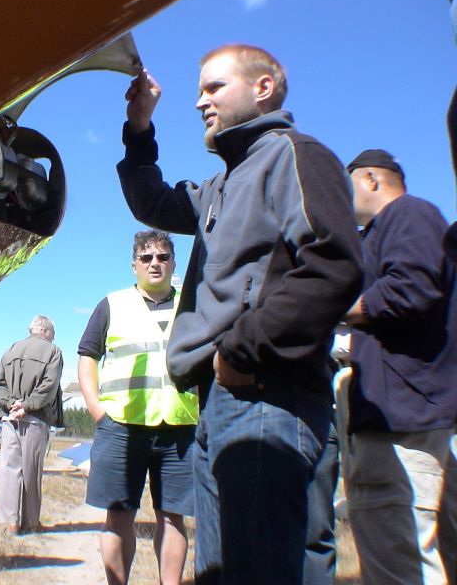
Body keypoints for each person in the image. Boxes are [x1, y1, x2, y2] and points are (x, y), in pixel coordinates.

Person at [117, 44, 364, 584]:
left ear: (263, 88)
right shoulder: (220, 186)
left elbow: (334, 264)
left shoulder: (294, 156)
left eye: (214, 87)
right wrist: (139, 130)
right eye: (199, 90)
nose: (199, 100)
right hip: (220, 402)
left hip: (266, 397)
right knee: (221, 572)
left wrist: (239, 348)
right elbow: (153, 202)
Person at [342, 149, 457, 585]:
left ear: (371, 179)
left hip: (403, 417)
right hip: (409, 410)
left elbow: (410, 290)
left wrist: (331, 308)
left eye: (346, 182)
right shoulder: (377, 232)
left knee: (399, 554)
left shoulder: (409, 214)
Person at [78, 229, 198, 585]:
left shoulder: (192, 305)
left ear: (174, 263)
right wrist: (97, 410)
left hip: (180, 427)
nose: (155, 264)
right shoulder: (112, 304)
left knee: (174, 517)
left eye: (162, 257)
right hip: (121, 427)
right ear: (134, 265)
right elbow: (87, 356)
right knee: (118, 515)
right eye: (147, 258)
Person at [0, 315, 63, 535]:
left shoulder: (12, 348)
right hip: (35, 418)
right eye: (52, 333)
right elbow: (49, 386)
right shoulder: (53, 352)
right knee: (31, 471)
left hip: (10, 419)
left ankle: (11, 523)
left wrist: (10, 403)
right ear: (45, 331)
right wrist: (28, 405)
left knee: (9, 469)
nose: (53, 337)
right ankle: (30, 522)